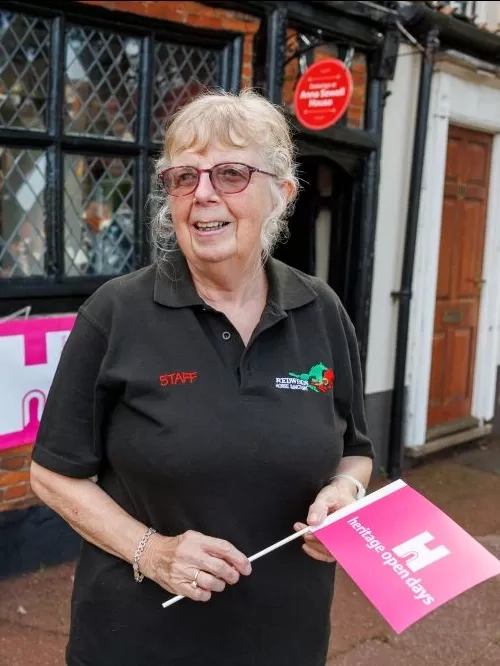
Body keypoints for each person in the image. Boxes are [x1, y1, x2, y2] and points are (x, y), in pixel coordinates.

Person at [30, 89, 374, 666]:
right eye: (184, 177)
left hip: (286, 641)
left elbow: (355, 450)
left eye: (231, 173)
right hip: (136, 642)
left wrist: (346, 494)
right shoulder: (115, 314)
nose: (203, 193)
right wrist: (153, 551)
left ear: (282, 193)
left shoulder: (321, 310)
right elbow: (51, 475)